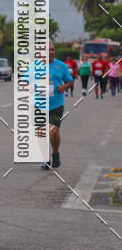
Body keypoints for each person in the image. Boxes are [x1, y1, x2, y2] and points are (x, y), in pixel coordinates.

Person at [41, 40, 73, 170]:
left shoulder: (61, 66)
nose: (50, 52)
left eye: (52, 49)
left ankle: (55, 153)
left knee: (53, 132)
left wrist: (63, 87)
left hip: (56, 104)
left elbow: (69, 81)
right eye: (47, 50)